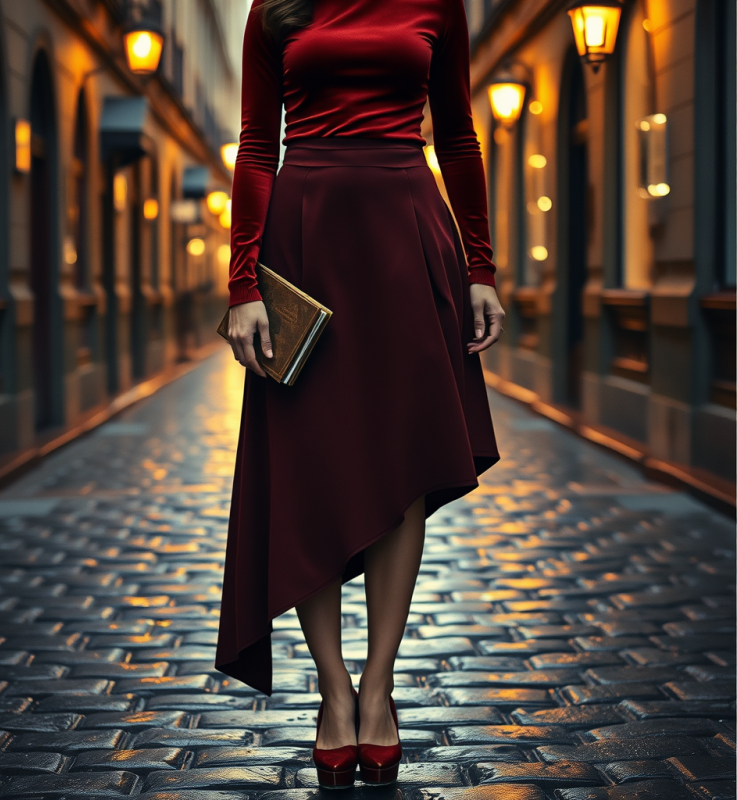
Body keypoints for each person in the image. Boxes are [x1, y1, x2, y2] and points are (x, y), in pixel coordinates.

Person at [215, 0, 504, 788]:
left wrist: (480, 267)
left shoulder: (438, 3)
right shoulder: (275, 8)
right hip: (303, 239)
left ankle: (377, 688)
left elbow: (459, 136)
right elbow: (256, 146)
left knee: (400, 459)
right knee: (310, 467)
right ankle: (332, 689)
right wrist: (243, 284)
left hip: (407, 233)